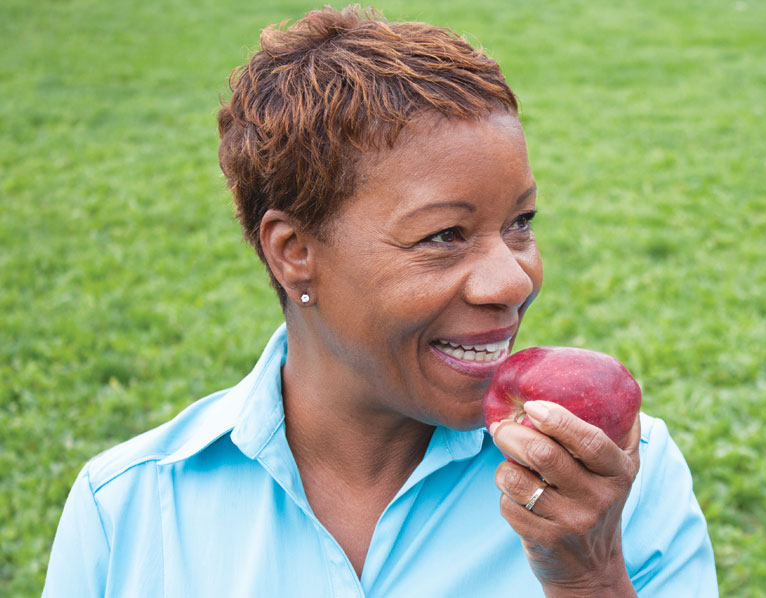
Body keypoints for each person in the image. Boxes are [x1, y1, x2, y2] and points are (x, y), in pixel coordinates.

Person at [43, 6, 717, 597]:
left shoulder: (617, 474)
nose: (513, 281)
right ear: (293, 250)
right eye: (445, 235)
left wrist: (588, 579)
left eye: (521, 222)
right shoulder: (130, 507)